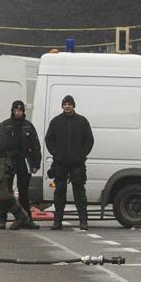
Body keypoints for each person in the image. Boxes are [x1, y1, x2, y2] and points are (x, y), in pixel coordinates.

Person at [44, 95, 94, 230]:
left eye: (69, 104)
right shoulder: (56, 122)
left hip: (77, 163)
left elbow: (89, 140)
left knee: (79, 193)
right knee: (59, 192)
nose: (67, 106)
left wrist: (81, 155)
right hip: (60, 163)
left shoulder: (82, 121)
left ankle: (83, 221)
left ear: (74, 106)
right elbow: (49, 139)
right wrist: (56, 153)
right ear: (62, 106)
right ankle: (57, 221)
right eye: (65, 104)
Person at [0, 100, 42, 229]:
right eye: (15, 110)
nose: (18, 113)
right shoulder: (5, 125)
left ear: (23, 111)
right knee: (6, 192)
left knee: (24, 193)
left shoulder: (28, 126)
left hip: (24, 161)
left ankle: (26, 220)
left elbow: (35, 146)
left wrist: (35, 164)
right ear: (12, 111)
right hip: (8, 162)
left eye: (20, 110)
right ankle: (1, 219)